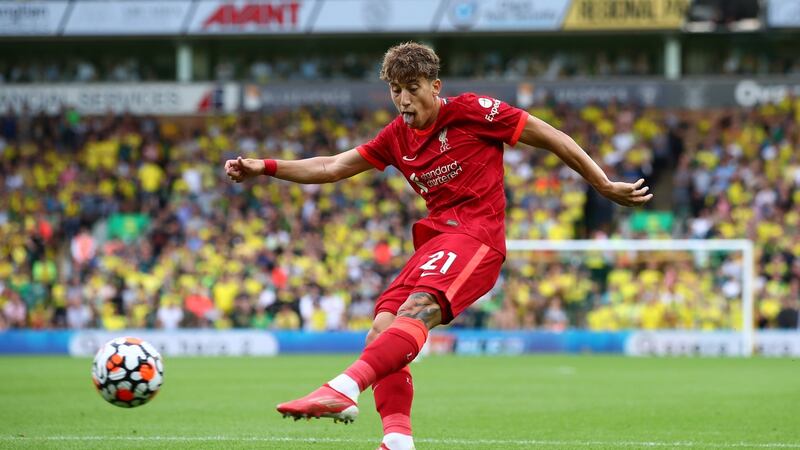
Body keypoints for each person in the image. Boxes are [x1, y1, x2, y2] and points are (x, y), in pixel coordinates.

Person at [224, 42, 652, 450]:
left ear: (435, 86)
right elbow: (332, 166)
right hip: (436, 240)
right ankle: (397, 440)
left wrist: (601, 183)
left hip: (478, 237)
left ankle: (344, 387)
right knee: (381, 329)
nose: (405, 100)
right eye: (396, 91)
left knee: (416, 311)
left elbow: (551, 135)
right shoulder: (395, 136)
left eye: (413, 89)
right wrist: (266, 166)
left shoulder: (472, 111)